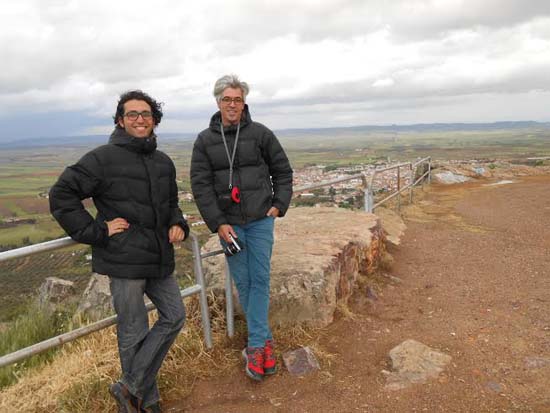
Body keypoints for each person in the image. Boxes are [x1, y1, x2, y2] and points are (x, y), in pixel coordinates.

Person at [49, 90, 188, 413]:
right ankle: (146, 402)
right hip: (124, 259)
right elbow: (62, 194)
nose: (140, 119)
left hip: (158, 256)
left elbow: (171, 205)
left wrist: (178, 223)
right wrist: (97, 232)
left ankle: (129, 387)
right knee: (133, 332)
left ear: (154, 120)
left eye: (146, 114)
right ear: (120, 120)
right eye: (132, 114)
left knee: (175, 316)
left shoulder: (163, 162)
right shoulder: (102, 158)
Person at [190, 74, 293, 381]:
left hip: (261, 220)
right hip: (230, 226)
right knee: (244, 282)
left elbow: (283, 171)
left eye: (237, 99)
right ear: (218, 102)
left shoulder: (261, 134)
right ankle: (264, 343)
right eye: (227, 99)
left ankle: (256, 345)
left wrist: (278, 205)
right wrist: (218, 223)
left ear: (244, 102)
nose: (232, 104)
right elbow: (201, 186)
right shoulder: (205, 141)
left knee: (259, 279)